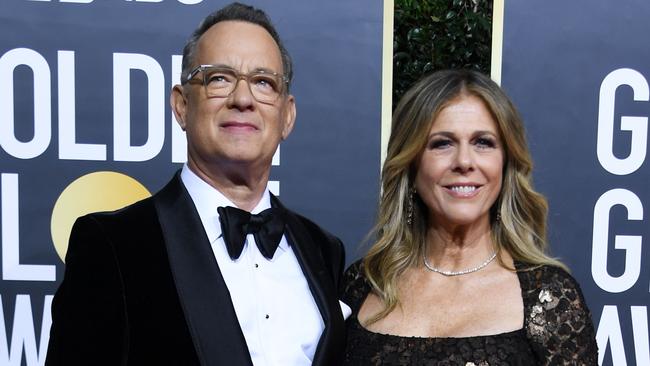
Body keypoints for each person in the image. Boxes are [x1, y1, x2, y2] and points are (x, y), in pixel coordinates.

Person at [46, 3, 348, 365]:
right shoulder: (112, 244)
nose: (242, 99)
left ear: (287, 116)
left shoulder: (323, 250)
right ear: (181, 105)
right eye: (219, 77)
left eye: (263, 82)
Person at [342, 69, 598, 365]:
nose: (464, 161)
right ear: (411, 165)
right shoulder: (364, 282)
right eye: (442, 143)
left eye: (483, 142)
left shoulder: (549, 297)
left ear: (505, 163)